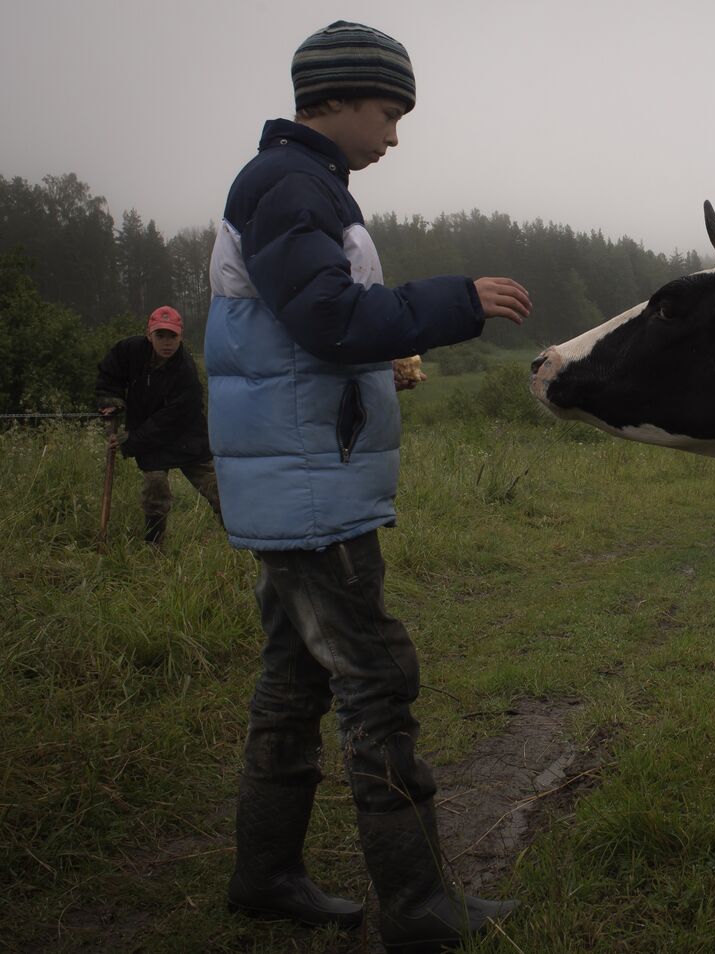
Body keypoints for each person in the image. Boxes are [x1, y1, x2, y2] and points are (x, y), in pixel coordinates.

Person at [205, 20, 531, 952]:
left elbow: (295, 334)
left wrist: (371, 367)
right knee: (376, 681)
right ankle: (421, 910)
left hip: (299, 477)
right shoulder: (291, 186)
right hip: (311, 492)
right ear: (338, 100)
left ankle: (264, 876)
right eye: (388, 112)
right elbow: (328, 318)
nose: (394, 134)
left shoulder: (296, 187)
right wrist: (459, 300)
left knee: (293, 681)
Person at [95, 305, 222, 545]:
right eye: (160, 335)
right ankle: (154, 545)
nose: (166, 342)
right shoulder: (130, 351)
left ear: (180, 336)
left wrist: (131, 442)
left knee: (217, 491)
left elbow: (171, 419)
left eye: (172, 336)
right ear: (148, 334)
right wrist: (111, 399)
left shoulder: (186, 371)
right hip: (150, 440)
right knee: (155, 487)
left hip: (187, 438)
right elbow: (109, 374)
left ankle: (243, 543)